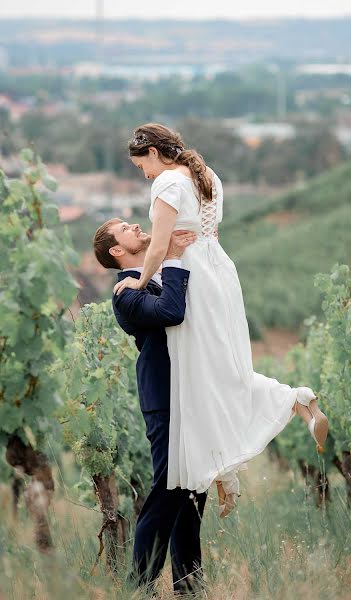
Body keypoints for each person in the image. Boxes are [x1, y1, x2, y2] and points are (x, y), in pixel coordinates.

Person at [113, 123, 329, 517]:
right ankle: (290, 406)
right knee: (222, 369)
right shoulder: (205, 175)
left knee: (202, 380)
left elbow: (160, 245)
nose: (142, 173)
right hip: (219, 273)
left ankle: (234, 459)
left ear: (155, 155)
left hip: (191, 276)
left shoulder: (166, 185)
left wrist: (139, 283)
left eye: (140, 165)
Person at [93, 220, 206, 595]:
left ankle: (189, 587)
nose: (136, 224)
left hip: (189, 394)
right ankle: (140, 587)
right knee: (168, 489)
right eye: (125, 227)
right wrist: (172, 257)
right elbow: (172, 312)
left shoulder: (151, 277)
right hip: (164, 398)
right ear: (116, 251)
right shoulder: (125, 295)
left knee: (191, 493)